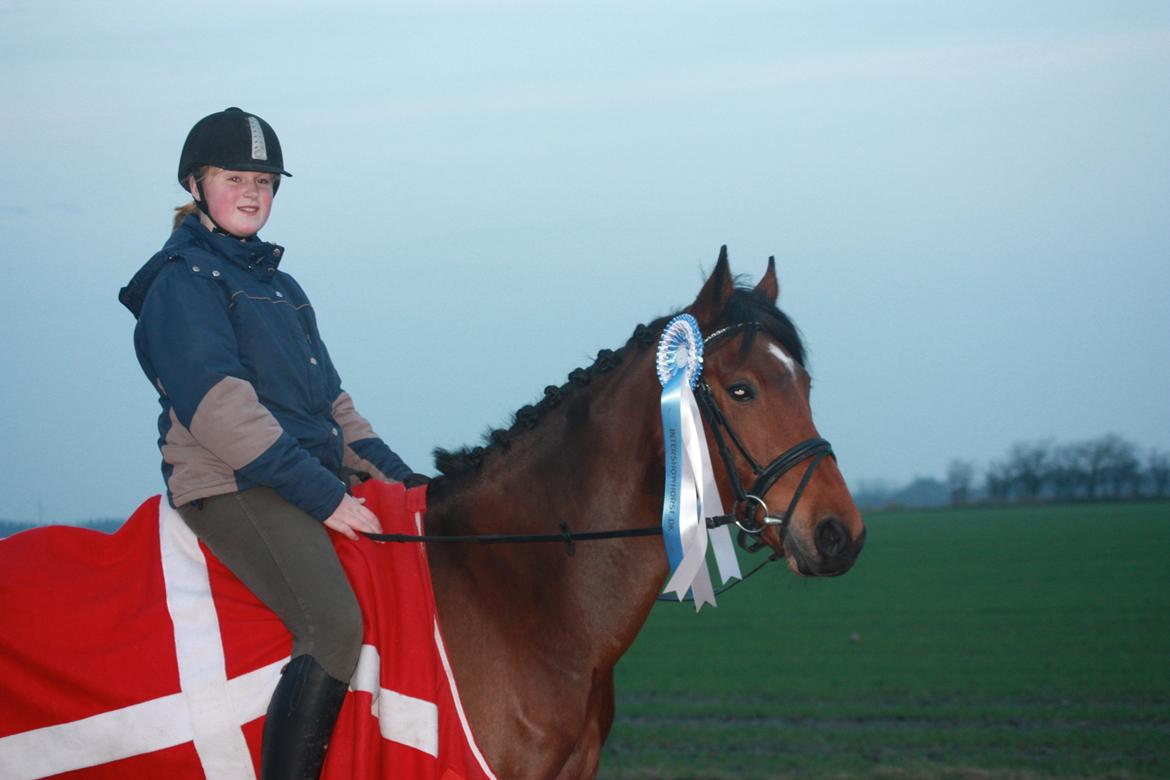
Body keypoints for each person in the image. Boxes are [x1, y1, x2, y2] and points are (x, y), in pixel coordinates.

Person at [119, 107, 415, 779]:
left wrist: (407, 486)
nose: (252, 193)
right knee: (334, 625)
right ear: (196, 185)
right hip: (230, 483)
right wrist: (322, 496)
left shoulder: (282, 288)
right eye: (234, 178)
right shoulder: (181, 281)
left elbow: (334, 410)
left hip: (293, 473)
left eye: (265, 181)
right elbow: (223, 412)